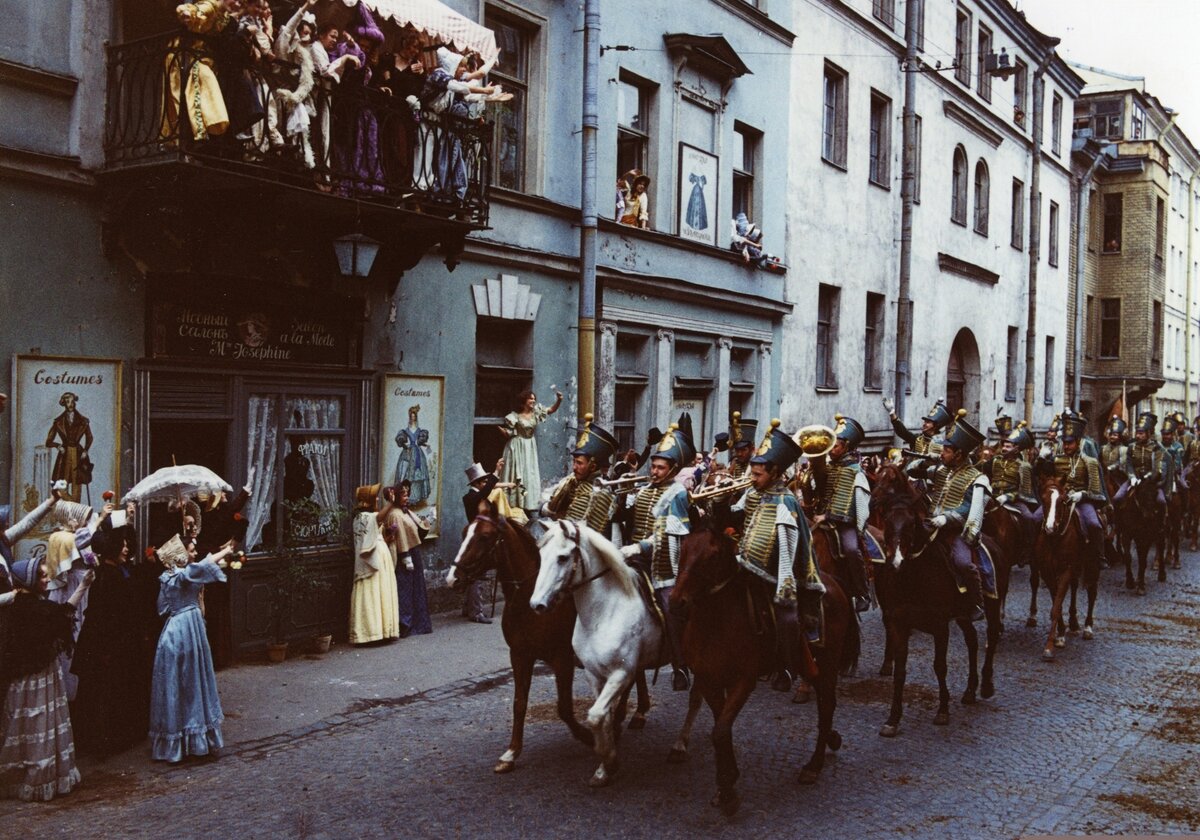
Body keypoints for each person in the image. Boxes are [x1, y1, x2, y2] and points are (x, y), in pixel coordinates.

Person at [729, 420, 823, 690]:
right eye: (752, 472)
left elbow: (788, 548)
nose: (752, 478)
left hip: (778, 572)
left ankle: (787, 665)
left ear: (775, 473)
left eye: (757, 474)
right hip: (749, 564)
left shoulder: (785, 501)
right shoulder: (759, 492)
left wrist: (785, 584)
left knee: (786, 614)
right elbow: (742, 520)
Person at [0, 558, 91, 801]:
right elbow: (63, 614)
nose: (47, 579)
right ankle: (40, 775)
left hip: (26, 678)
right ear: (29, 581)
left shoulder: (23, 604)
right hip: (39, 676)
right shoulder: (34, 608)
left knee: (26, 723)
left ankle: (24, 774)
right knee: (40, 720)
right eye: (41, 576)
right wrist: (82, 587)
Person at [619, 423, 695, 690]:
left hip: (664, 562)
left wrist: (640, 548)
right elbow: (627, 519)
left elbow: (668, 535)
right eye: (653, 466)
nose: (654, 471)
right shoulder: (646, 490)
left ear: (673, 470)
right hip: (634, 556)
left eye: (661, 468)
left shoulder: (677, 494)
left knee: (669, 605)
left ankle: (680, 665)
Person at [149, 535, 234, 763]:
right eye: (191, 550)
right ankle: (189, 741)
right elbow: (203, 565)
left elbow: (162, 608)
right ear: (180, 554)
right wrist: (226, 552)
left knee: (186, 682)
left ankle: (185, 741)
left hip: (178, 628)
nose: (194, 553)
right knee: (190, 681)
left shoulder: (171, 578)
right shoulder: (180, 575)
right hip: (185, 632)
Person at [70, 517, 146, 757]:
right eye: (121, 544)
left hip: (112, 645)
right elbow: (108, 618)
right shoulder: (108, 577)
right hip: (108, 648)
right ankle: (104, 740)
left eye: (127, 543)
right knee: (106, 694)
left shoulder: (115, 572)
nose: (126, 548)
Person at [908, 411, 991, 622]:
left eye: (946, 450)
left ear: (960, 454)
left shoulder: (976, 477)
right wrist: (927, 461)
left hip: (955, 531)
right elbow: (912, 471)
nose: (942, 452)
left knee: (963, 563)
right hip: (930, 525)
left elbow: (969, 507)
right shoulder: (941, 470)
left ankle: (976, 603)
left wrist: (946, 519)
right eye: (943, 449)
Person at [809, 415, 871, 612]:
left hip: (845, 523)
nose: (832, 449)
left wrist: (827, 516)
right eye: (831, 444)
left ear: (847, 447)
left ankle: (863, 592)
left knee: (851, 549)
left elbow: (857, 505)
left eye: (836, 445)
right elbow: (816, 488)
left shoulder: (856, 472)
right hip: (819, 517)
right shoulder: (828, 467)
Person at [1041, 415, 1108, 568]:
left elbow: (1096, 490)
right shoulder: (1056, 460)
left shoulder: (1090, 462)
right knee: (1036, 518)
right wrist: (1041, 458)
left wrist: (1082, 495)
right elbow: (1043, 476)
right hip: (1059, 499)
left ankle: (1099, 556)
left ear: (1078, 442)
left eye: (1070, 443)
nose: (1066, 446)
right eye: (1064, 443)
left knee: (1094, 524)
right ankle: (1033, 554)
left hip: (1081, 500)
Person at [543, 414, 620, 536]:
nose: (574, 467)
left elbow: (580, 533)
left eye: (579, 463)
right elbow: (548, 509)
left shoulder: (601, 493)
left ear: (593, 466)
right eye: (574, 462)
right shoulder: (572, 482)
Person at [980, 421, 1042, 561]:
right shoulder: (995, 461)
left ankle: (1028, 549)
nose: (1004, 448)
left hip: (1015, 500)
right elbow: (980, 469)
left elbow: (1025, 492)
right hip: (994, 497)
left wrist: (1009, 496)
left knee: (1029, 518)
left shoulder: (1024, 466)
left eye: (1008, 446)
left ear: (1016, 449)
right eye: (1004, 445)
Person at [499, 389, 563, 517]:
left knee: (529, 474)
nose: (533, 401)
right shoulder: (514, 416)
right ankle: (514, 504)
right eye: (531, 399)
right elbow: (508, 433)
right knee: (516, 473)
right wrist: (499, 429)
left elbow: (550, 410)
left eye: (534, 399)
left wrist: (559, 400)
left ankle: (528, 504)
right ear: (524, 401)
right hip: (516, 446)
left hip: (529, 446)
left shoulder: (536, 413)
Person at [349, 484, 400, 644]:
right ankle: (370, 632)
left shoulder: (363, 517)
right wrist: (391, 503)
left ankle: (380, 631)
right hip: (373, 560)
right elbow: (379, 518)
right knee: (372, 592)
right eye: (375, 497)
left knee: (380, 592)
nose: (377, 499)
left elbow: (372, 535)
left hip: (379, 556)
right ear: (368, 500)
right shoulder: (364, 517)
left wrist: (386, 539)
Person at [385, 482, 432, 636]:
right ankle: (405, 624)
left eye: (407, 494)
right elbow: (399, 538)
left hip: (413, 553)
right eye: (403, 495)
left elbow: (415, 529)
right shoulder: (394, 514)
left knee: (415, 588)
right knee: (404, 589)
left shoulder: (405, 512)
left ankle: (417, 622)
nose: (406, 498)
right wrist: (405, 556)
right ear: (396, 497)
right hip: (404, 557)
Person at [45, 392, 93, 503]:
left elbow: (90, 437)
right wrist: (58, 446)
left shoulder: (83, 421)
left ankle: (77, 512)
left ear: (75, 402)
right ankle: (71, 507)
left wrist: (86, 450)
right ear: (64, 404)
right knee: (62, 485)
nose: (70, 404)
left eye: (72, 401)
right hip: (65, 454)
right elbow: (48, 442)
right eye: (67, 402)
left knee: (77, 483)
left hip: (78, 453)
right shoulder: (58, 422)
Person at [1115, 413, 1165, 505]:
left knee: (1161, 501)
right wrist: (1132, 477)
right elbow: (1129, 464)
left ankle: (1163, 519)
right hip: (1134, 479)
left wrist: (1147, 477)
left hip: (1151, 481)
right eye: (1137, 433)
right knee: (1117, 497)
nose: (1138, 436)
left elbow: (1157, 468)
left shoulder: (1156, 448)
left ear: (1148, 433)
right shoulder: (1131, 447)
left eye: (1141, 433)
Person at [883, 396, 951, 462]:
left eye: (928, 422)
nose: (924, 424)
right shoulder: (918, 438)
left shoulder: (941, 444)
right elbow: (902, 432)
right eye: (925, 421)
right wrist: (892, 413)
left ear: (935, 426)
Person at [393, 405, 432, 504]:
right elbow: (401, 441)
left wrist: (426, 445)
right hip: (407, 453)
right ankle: (406, 497)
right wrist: (404, 444)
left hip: (418, 453)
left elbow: (420, 442)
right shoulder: (405, 431)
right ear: (409, 417)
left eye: (414, 416)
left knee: (417, 475)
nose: (413, 418)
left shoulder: (420, 431)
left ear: (416, 417)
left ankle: (416, 496)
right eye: (411, 416)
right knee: (406, 474)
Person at [725, 413, 757, 481]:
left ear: (752, 449)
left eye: (743, 450)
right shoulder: (732, 463)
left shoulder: (759, 465)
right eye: (737, 450)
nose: (739, 454)